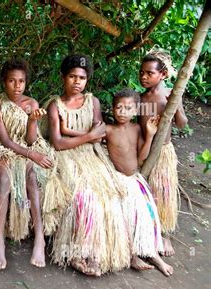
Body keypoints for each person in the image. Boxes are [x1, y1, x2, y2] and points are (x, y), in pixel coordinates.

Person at [46, 54, 129, 276]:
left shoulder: (93, 102)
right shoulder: (55, 106)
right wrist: (87, 135)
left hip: (91, 155)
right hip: (66, 157)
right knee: (82, 196)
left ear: (87, 80)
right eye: (72, 76)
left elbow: (99, 135)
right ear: (63, 77)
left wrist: (73, 132)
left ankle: (98, 253)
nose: (77, 82)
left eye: (82, 77)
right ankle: (76, 252)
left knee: (107, 197)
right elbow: (58, 143)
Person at [0, 58, 67, 270]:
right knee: (4, 179)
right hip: (6, 148)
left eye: (21, 81)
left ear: (26, 82)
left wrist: (32, 121)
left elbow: (31, 140)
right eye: (12, 81)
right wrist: (30, 154)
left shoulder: (32, 103)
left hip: (30, 146)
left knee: (32, 177)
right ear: (4, 82)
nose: (17, 86)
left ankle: (40, 237)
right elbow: (5, 140)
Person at [105, 88, 173, 276]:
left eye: (128, 108)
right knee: (125, 215)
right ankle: (132, 254)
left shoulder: (136, 129)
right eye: (119, 107)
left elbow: (141, 158)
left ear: (135, 111)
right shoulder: (108, 130)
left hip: (135, 179)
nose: (123, 112)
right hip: (118, 180)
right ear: (112, 109)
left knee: (146, 214)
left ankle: (153, 255)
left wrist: (150, 134)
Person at [138, 47, 188, 257]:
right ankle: (147, 230)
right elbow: (140, 124)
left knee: (163, 191)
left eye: (150, 73)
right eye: (142, 72)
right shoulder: (141, 98)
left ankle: (165, 233)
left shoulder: (169, 95)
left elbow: (182, 124)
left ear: (163, 75)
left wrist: (173, 106)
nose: (144, 77)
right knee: (145, 190)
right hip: (145, 147)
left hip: (163, 151)